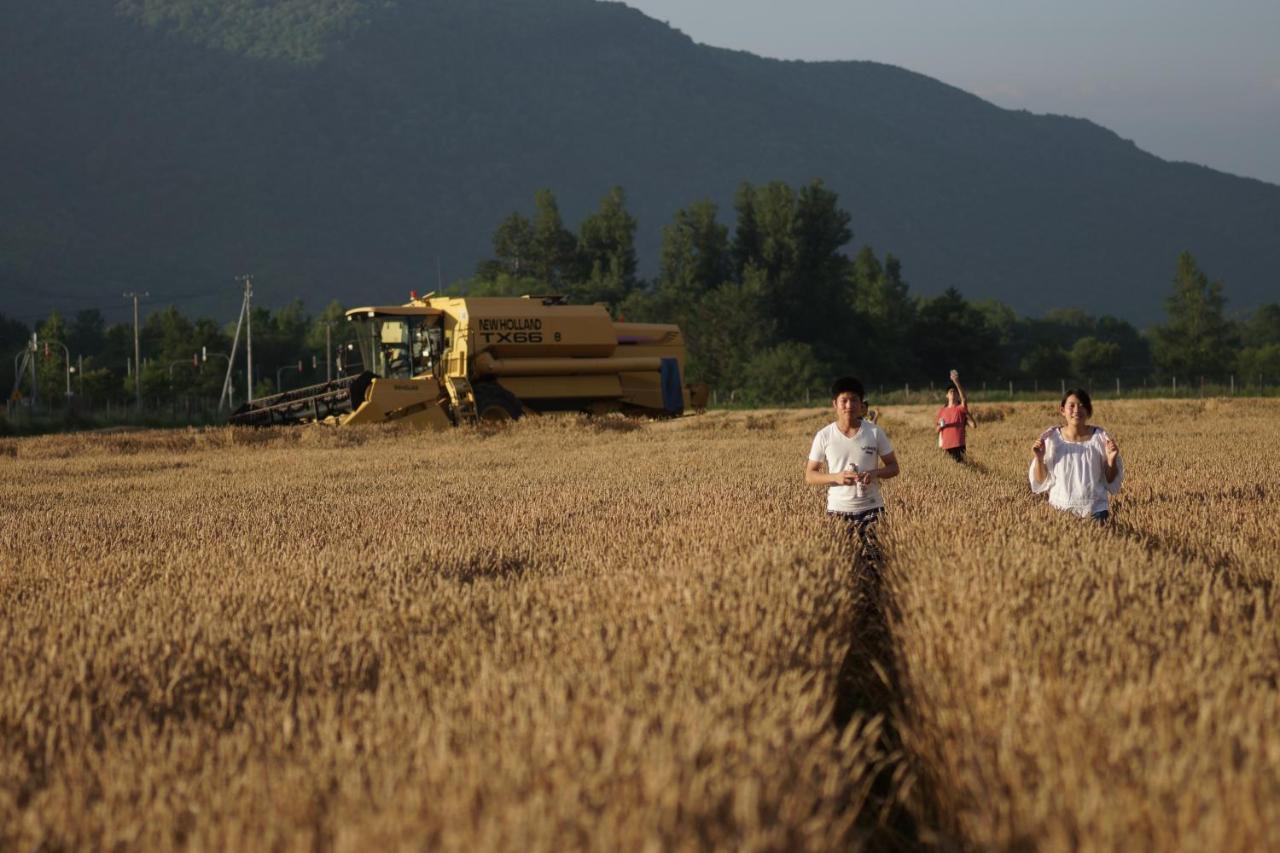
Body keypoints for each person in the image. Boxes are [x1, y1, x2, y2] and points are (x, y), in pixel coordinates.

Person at [805, 377, 900, 562]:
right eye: (844, 400)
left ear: (861, 404)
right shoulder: (824, 436)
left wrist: (874, 474)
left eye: (854, 400)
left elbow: (894, 467)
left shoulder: (874, 432)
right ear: (835, 404)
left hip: (872, 509)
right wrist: (836, 478)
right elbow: (810, 475)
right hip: (837, 511)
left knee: (875, 563)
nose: (849, 405)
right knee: (841, 565)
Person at [1029, 388, 1123, 521]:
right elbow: (1040, 480)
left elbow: (1110, 479)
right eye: (1071, 406)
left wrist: (1111, 459)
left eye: (1082, 406)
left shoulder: (1101, 438)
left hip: (1096, 511)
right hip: (1059, 510)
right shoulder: (1051, 439)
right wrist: (1039, 458)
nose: (1077, 410)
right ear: (1062, 410)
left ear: (1088, 410)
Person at [936, 369, 976, 462]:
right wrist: (941, 426)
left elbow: (964, 399)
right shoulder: (942, 411)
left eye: (955, 391)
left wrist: (956, 382)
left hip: (959, 444)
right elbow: (937, 429)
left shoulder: (960, 408)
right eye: (950, 391)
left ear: (958, 395)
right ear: (947, 395)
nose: (953, 393)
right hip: (946, 446)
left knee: (962, 469)